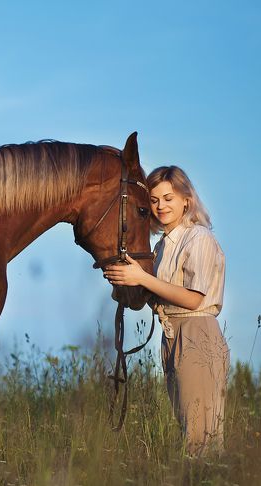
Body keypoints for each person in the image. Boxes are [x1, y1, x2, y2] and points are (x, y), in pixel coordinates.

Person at [103, 165, 228, 455]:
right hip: (170, 334)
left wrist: (143, 279)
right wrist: (124, 281)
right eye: (155, 200)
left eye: (169, 198)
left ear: (187, 199)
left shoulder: (198, 238)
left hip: (197, 332)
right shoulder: (160, 247)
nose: (161, 207)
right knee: (189, 427)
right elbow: (158, 295)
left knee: (201, 436)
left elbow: (194, 299)